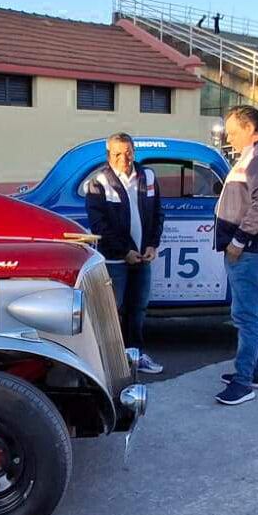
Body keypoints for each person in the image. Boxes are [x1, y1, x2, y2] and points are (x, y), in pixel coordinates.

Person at [213, 106, 258, 406]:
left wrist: (239, 240)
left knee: (246, 317)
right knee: (253, 314)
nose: (229, 139)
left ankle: (243, 382)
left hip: (250, 251)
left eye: (232, 132)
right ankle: (255, 373)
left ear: (248, 128)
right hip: (256, 250)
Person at [86, 132, 165, 374]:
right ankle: (111, 362)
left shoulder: (148, 176)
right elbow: (99, 225)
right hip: (115, 260)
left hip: (142, 257)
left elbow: (158, 214)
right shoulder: (99, 182)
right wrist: (124, 251)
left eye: (128, 152)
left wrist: (152, 244)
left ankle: (136, 355)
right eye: (118, 154)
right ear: (108, 155)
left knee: (138, 308)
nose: (124, 158)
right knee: (113, 310)